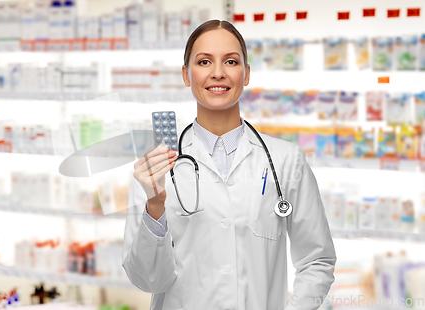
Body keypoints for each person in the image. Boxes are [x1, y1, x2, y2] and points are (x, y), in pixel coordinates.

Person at [122, 19, 337, 310]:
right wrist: (155, 207)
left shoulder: (285, 160)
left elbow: (317, 260)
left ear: (246, 74)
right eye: (204, 61)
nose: (218, 73)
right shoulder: (156, 169)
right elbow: (147, 280)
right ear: (186, 74)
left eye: (231, 61)